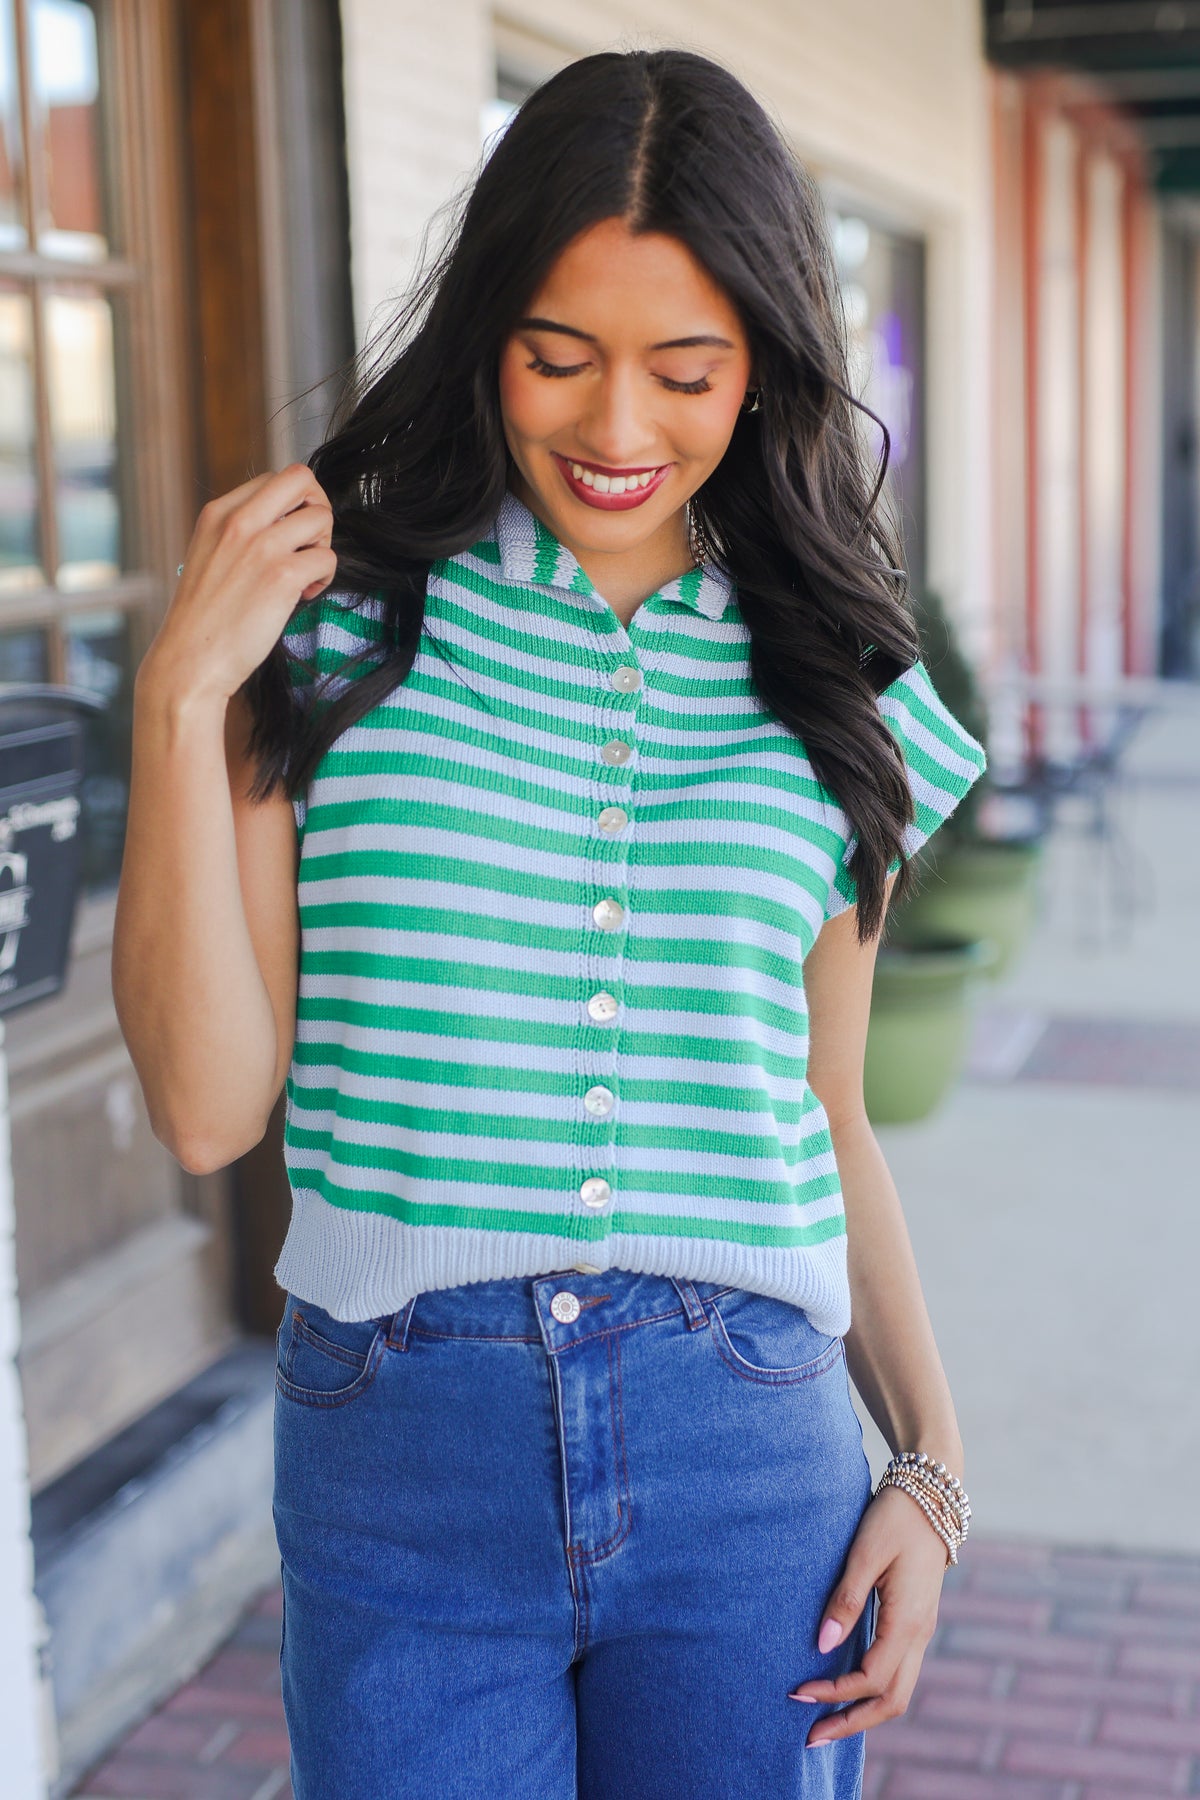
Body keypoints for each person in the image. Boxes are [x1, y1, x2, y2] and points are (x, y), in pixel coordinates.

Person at [113, 46, 984, 1800]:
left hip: (752, 1450)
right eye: (557, 357)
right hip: (399, 1462)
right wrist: (180, 695)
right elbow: (211, 1109)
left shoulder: (838, 684)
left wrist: (932, 1475)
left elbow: (827, 1104)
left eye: (686, 372)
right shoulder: (331, 634)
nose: (614, 430)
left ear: (766, 371)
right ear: (486, 331)